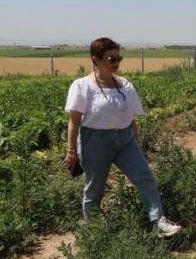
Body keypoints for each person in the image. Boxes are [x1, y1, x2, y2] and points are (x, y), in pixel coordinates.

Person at [63, 37, 182, 237]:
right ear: (96, 60)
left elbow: (131, 118)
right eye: (111, 59)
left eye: (119, 58)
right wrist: (71, 151)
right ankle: (95, 234)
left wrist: (137, 142)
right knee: (95, 189)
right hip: (95, 142)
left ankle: (159, 221)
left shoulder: (125, 85)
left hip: (125, 140)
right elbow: (74, 121)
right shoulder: (82, 86)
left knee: (145, 177)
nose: (116, 63)